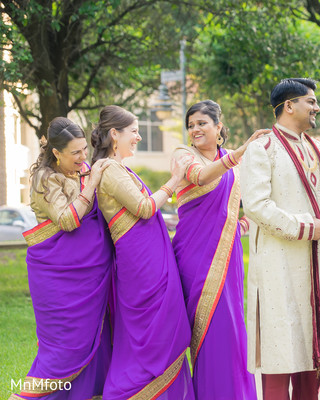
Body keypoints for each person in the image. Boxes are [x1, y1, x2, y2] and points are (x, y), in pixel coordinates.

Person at [240, 78, 320, 399]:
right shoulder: (261, 149)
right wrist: (306, 227)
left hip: (318, 266)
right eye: (311, 101)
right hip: (280, 267)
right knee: (279, 355)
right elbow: (258, 206)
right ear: (289, 106)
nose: (316, 107)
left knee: (311, 357)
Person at [91, 105, 194, 399]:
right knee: (152, 328)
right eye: (134, 131)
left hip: (149, 256)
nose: (138, 137)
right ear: (115, 134)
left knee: (163, 324)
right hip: (140, 263)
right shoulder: (110, 169)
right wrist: (175, 179)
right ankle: (135, 390)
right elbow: (145, 208)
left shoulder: (119, 168)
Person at [171, 100, 268, 399]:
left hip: (228, 256)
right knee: (205, 329)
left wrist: (240, 226)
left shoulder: (229, 159)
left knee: (229, 329)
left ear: (218, 127)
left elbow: (244, 206)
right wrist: (240, 154)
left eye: (202, 123)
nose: (195, 129)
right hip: (193, 255)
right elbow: (200, 177)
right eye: (191, 125)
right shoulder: (183, 155)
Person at [11, 117, 113, 400]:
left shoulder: (82, 169)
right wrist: (91, 183)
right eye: (75, 153)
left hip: (92, 275)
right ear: (56, 153)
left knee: (99, 340)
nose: (83, 158)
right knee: (63, 349)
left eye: (84, 150)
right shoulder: (45, 179)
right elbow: (68, 220)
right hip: (58, 277)